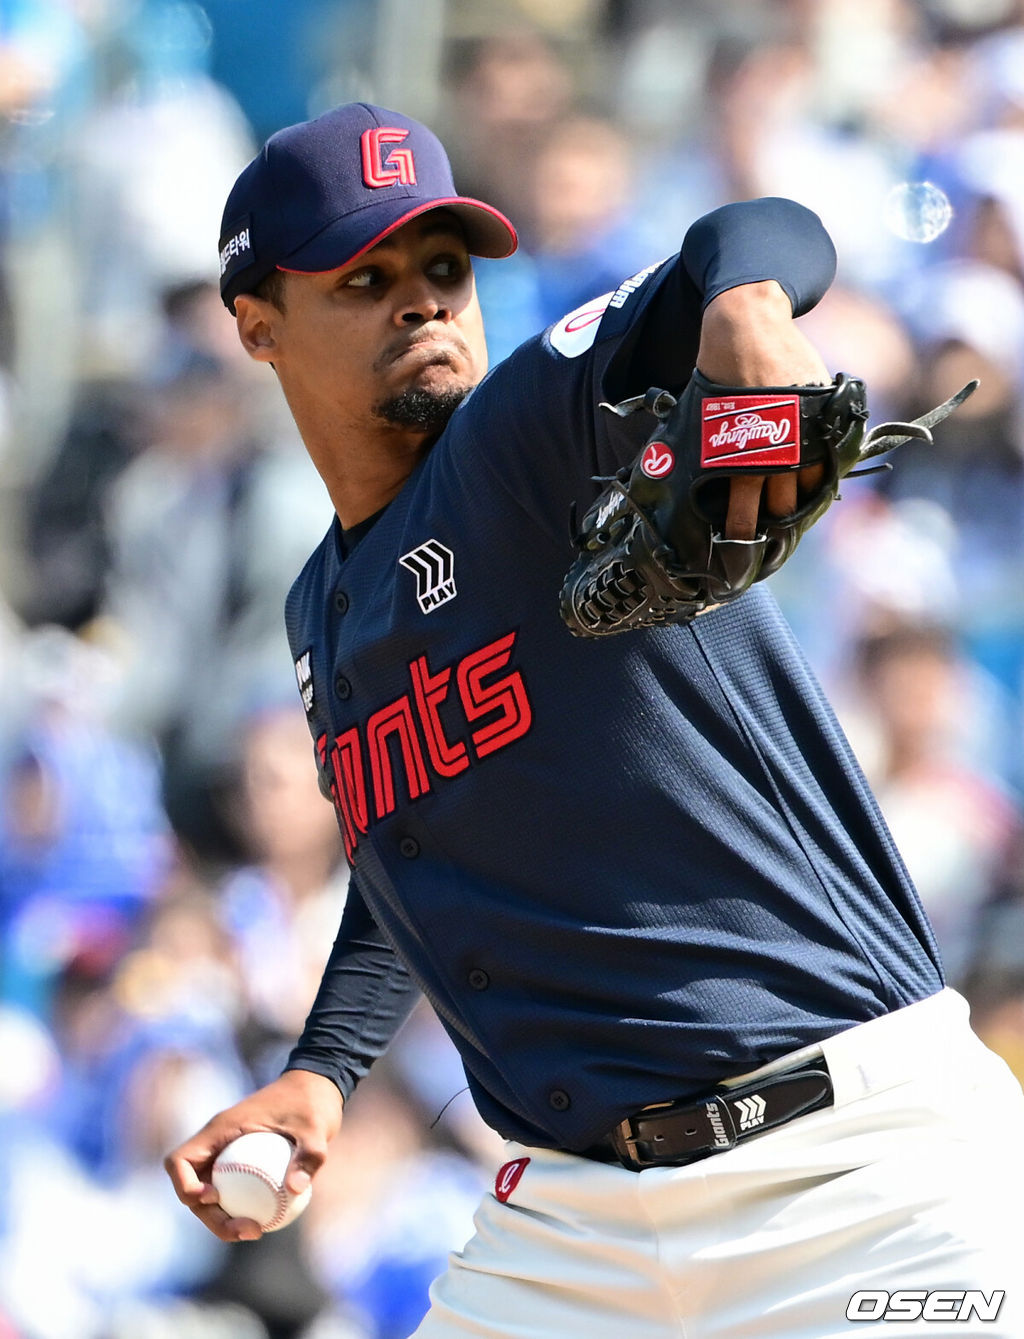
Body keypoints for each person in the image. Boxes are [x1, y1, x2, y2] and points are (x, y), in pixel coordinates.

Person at [165, 102, 1024, 1337]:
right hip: (571, 1227)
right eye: (367, 277)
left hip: (850, 1166)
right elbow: (412, 836)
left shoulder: (533, 432)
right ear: (258, 326)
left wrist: (740, 315)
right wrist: (326, 1066)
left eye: (444, 270)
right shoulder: (324, 605)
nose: (422, 302)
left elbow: (759, 232)